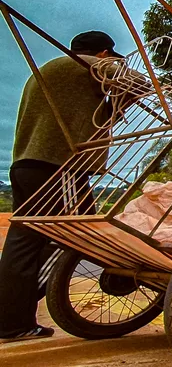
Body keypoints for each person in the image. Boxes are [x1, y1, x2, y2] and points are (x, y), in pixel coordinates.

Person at [0, 31, 124, 343]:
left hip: (27, 165)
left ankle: (11, 320)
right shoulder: (92, 66)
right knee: (75, 238)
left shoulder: (50, 70)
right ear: (104, 53)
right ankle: (13, 319)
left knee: (24, 242)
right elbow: (135, 79)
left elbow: (97, 116)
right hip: (60, 168)